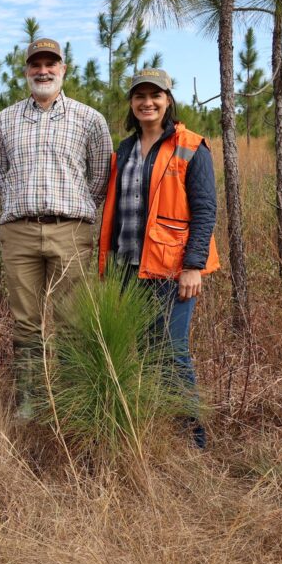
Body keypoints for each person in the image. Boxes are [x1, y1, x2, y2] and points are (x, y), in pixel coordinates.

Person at [0, 38, 113, 419]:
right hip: (20, 232)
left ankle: (72, 399)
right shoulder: (6, 119)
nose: (43, 71)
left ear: (63, 69)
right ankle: (31, 400)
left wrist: (75, 211)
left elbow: (101, 175)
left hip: (70, 231)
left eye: (50, 64)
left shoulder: (89, 118)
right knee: (26, 322)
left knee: (72, 319)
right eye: (35, 65)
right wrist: (22, 204)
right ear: (26, 70)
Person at [98, 69, 218, 448]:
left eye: (155, 95)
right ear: (131, 104)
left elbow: (205, 208)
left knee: (172, 349)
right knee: (145, 350)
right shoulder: (125, 149)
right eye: (139, 96)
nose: (147, 102)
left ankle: (193, 436)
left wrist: (193, 265)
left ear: (168, 99)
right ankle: (158, 426)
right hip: (129, 267)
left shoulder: (190, 146)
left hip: (172, 268)